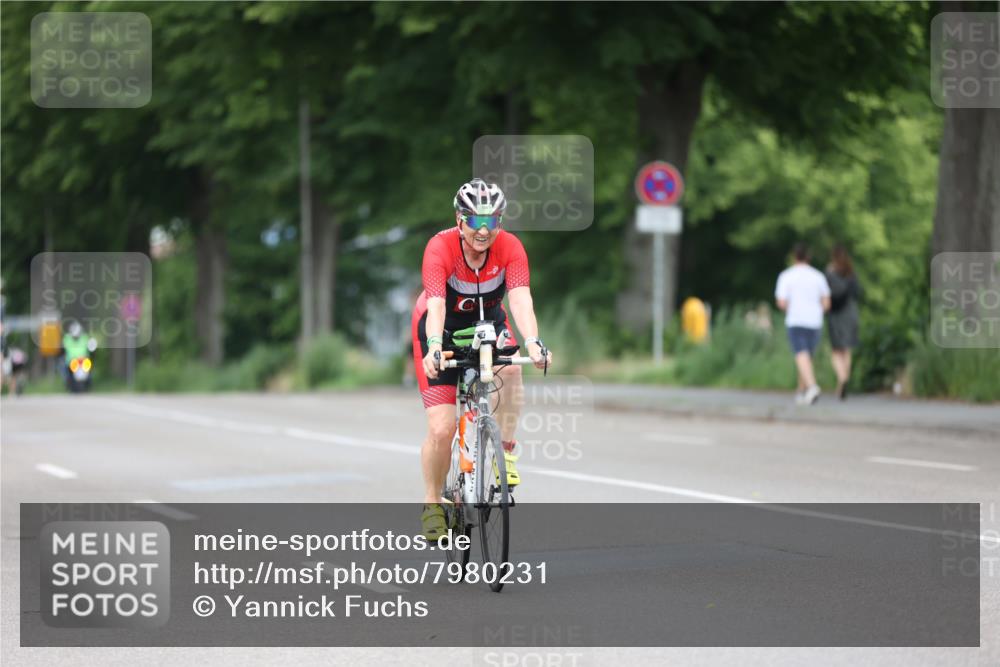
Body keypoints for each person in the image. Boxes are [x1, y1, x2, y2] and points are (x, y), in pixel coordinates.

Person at [413, 178, 551, 538]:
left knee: (512, 370)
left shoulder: (510, 247)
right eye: (475, 221)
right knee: (441, 429)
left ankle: (505, 451)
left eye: (492, 221)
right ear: (460, 220)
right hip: (441, 329)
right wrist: (433, 346)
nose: (484, 230)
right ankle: (433, 502)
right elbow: (436, 304)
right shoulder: (439, 247)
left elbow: (520, 298)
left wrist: (533, 342)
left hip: (488, 323)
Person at [775, 243, 831, 405]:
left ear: (794, 256)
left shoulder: (786, 276)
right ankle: (802, 392)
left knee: (801, 355)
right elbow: (826, 303)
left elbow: (781, 302)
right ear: (808, 257)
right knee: (807, 357)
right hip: (815, 321)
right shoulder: (818, 276)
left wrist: (793, 308)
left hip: (796, 320)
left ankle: (812, 386)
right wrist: (816, 310)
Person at [825, 245, 863, 400]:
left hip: (836, 314)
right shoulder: (851, 272)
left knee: (836, 350)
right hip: (851, 312)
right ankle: (843, 382)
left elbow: (826, 293)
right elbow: (857, 292)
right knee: (847, 350)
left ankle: (842, 378)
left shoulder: (830, 272)